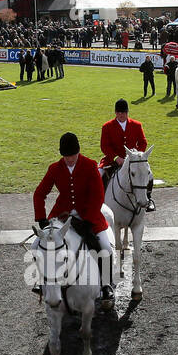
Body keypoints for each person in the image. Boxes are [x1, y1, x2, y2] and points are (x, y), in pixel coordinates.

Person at [32, 131, 115, 300]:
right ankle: (41, 282)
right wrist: (41, 218)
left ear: (78, 151)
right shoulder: (54, 168)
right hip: (61, 216)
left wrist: (89, 220)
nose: (69, 159)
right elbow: (39, 194)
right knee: (35, 246)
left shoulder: (90, 165)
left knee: (105, 248)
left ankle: (106, 285)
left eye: (72, 156)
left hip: (88, 214)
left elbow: (98, 196)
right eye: (66, 156)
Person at [99, 98, 154, 210]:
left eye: (123, 112)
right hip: (113, 160)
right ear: (115, 112)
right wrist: (115, 157)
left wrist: (138, 156)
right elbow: (104, 146)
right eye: (119, 112)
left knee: (150, 174)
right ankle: (99, 201)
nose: (121, 115)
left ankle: (148, 198)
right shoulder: (107, 126)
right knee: (98, 174)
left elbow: (143, 142)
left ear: (127, 112)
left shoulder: (136, 125)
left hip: (134, 161)